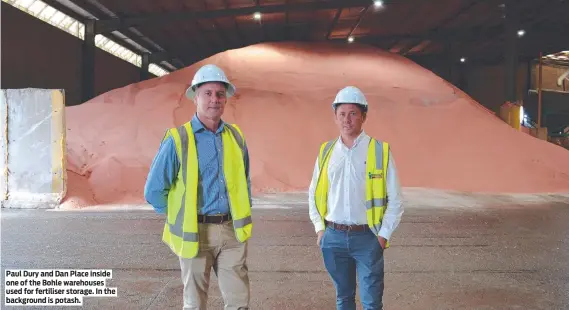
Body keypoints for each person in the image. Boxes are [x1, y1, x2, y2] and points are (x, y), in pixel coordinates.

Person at [144, 64, 253, 310]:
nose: (214, 99)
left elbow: (244, 182)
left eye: (220, 94)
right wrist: (179, 216)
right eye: (208, 93)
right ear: (195, 97)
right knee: (195, 304)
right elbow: (153, 191)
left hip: (231, 232)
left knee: (239, 304)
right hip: (195, 232)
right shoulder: (178, 139)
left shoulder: (236, 137)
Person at [308, 86, 403, 310]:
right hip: (333, 238)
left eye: (353, 113)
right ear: (335, 117)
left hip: (367, 238)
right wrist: (320, 229)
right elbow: (313, 193)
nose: (347, 120)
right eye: (342, 114)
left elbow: (396, 200)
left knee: (371, 302)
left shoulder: (380, 151)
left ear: (363, 117)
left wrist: (382, 236)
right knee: (344, 299)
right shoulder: (326, 152)